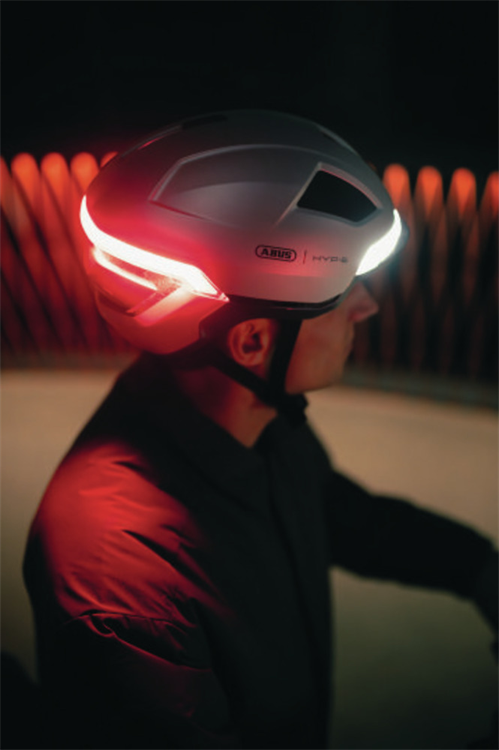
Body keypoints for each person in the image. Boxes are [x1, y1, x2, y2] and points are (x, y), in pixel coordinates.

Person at [23, 111, 498, 750]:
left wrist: (479, 568)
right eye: (342, 294)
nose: (368, 307)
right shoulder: (123, 585)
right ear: (251, 341)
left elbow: (332, 512)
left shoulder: (255, 420)